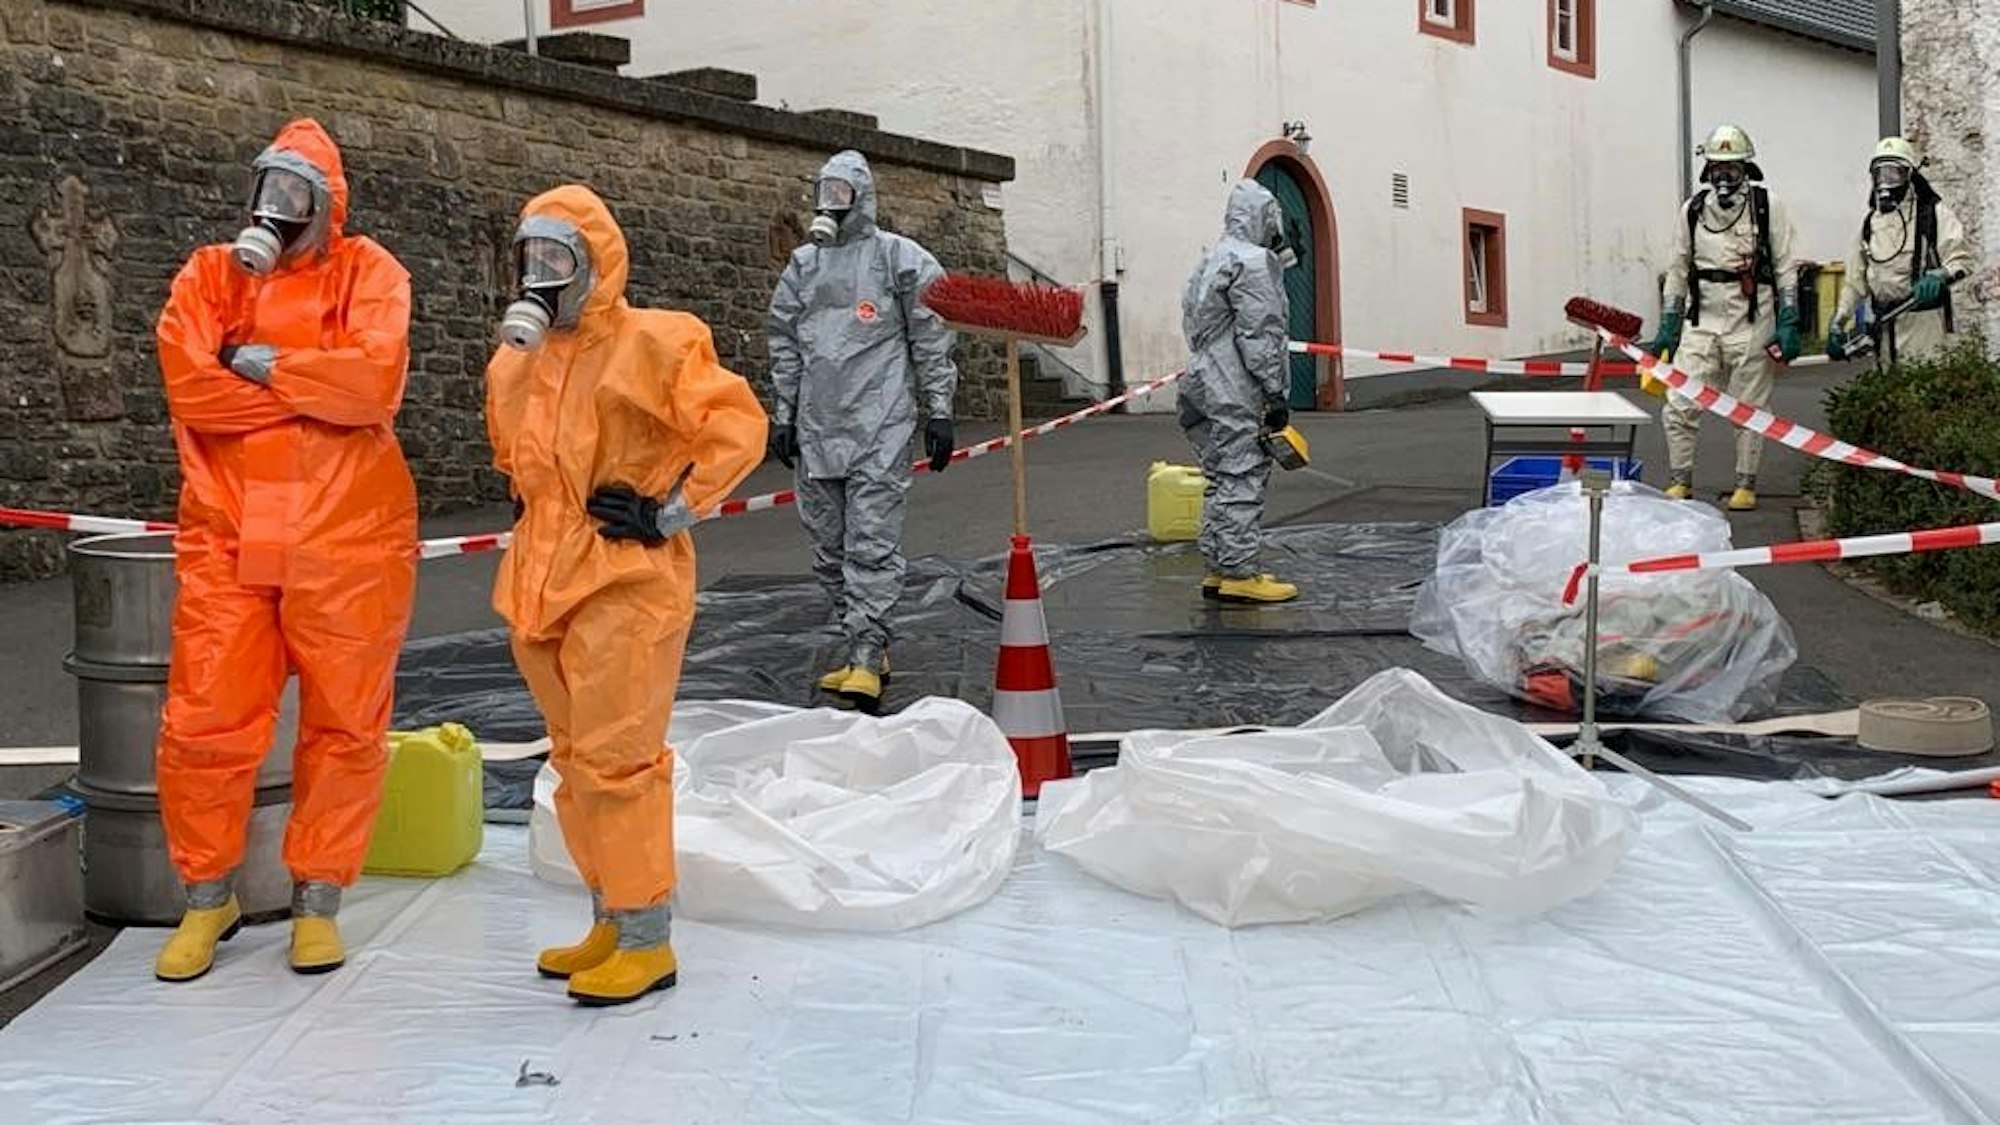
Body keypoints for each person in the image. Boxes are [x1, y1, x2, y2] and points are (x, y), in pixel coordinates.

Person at [151, 118, 418, 981]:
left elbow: (374, 381)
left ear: (328, 204)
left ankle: (319, 899)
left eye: (298, 193)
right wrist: (310, 390)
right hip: (233, 530)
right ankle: (207, 895)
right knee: (204, 720)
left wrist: (256, 363)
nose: (279, 208)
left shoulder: (370, 272)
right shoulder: (207, 274)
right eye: (271, 185)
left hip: (350, 536)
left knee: (345, 725)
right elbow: (191, 389)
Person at [487, 184, 766, 1007]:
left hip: (625, 579)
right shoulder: (515, 361)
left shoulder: (655, 344)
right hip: (539, 580)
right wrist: (527, 498)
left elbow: (735, 425)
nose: (541, 275)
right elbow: (517, 459)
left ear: (596, 265)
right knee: (574, 763)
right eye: (529, 257)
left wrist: (668, 508)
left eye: (557, 258)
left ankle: (647, 937)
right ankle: (611, 913)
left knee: (619, 759)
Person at [765, 150, 959, 710]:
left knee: (870, 544)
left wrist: (938, 409)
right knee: (828, 548)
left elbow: (932, 336)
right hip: (819, 426)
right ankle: (859, 640)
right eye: (824, 191)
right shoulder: (804, 266)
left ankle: (869, 652)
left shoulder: (899, 259)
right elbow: (786, 342)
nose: (832, 204)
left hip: (879, 424)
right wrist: (785, 413)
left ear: (863, 196)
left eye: (842, 193)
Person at [1650, 124, 1801, 513]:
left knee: (1749, 406)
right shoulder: (1693, 211)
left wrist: (1788, 318)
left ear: (1746, 169)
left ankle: (1745, 483)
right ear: (1707, 170)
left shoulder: (1768, 207)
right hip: (1702, 317)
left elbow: (1786, 266)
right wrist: (1668, 323)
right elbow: (1678, 267)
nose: (1724, 177)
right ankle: (1680, 478)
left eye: (1732, 169)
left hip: (1752, 317)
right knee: (1680, 400)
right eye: (1717, 168)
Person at [1178, 179, 1298, 604]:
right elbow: (1260, 330)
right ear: (1266, 217)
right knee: (1243, 471)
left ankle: (1219, 566)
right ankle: (1240, 573)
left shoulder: (1211, 259)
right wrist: (1275, 390)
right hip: (1234, 381)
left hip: (1200, 375)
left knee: (1218, 474)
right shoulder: (1254, 262)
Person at [1828, 136, 1976, 367]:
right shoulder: (1869, 224)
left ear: (1909, 175)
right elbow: (1854, 282)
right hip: (1884, 326)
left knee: (1924, 389)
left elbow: (1962, 261)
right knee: (1890, 392)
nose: (1886, 182)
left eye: (1894, 173)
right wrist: (1839, 321)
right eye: (1880, 174)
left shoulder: (1933, 216)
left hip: (1923, 323)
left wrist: (1938, 277)